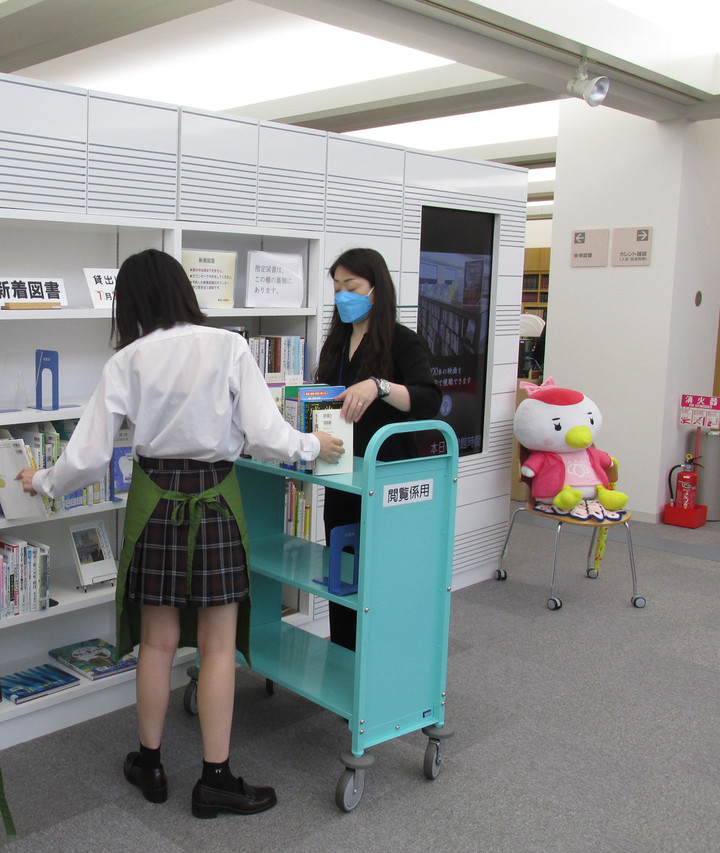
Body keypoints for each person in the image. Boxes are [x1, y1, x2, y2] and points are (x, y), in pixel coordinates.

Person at [16, 248, 343, 819]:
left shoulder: (127, 361)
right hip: (217, 501)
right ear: (183, 290)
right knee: (218, 647)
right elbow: (268, 436)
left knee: (158, 644)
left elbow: (88, 459)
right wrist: (317, 445)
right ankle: (215, 778)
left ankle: (150, 763)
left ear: (133, 302)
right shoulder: (230, 346)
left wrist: (41, 480)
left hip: (153, 506)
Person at [315, 247, 442, 650]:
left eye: (350, 286)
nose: (342, 296)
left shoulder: (402, 342)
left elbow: (428, 398)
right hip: (340, 473)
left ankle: (380, 671)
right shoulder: (336, 341)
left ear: (375, 288)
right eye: (336, 287)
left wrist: (380, 386)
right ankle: (345, 663)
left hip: (386, 474)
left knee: (383, 578)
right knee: (344, 573)